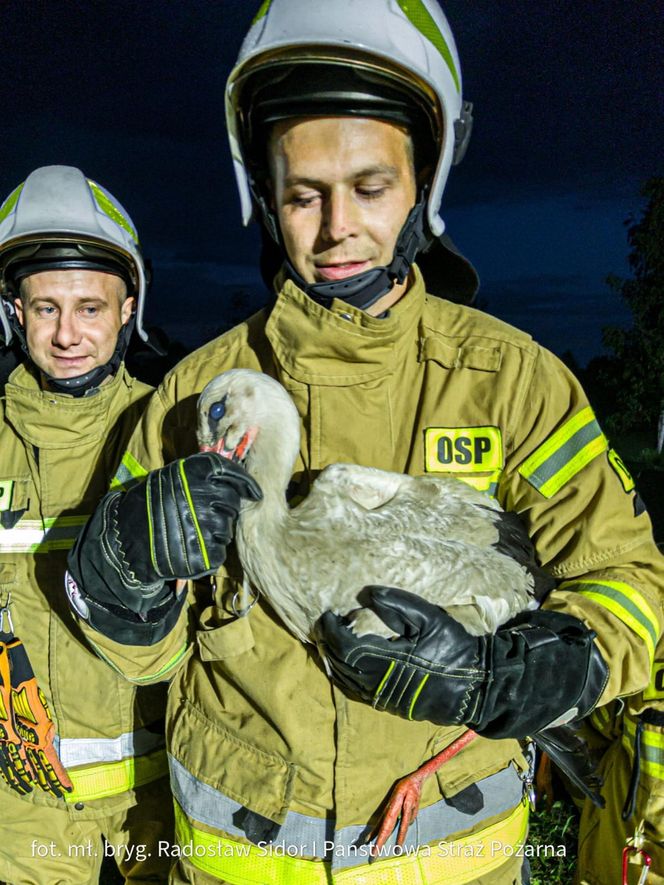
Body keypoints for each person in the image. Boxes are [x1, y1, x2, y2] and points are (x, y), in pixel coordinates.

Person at [65, 2, 664, 883]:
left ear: (425, 180)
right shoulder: (193, 397)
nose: (337, 225)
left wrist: (531, 674)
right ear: (263, 197)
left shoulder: (516, 382)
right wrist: (121, 573)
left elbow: (631, 582)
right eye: (304, 193)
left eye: (370, 187)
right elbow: (128, 652)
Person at [0, 165, 174, 884]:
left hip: (160, 794)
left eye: (89, 308)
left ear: (128, 308)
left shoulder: (169, 430)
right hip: (21, 803)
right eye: (45, 308)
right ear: (13, 312)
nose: (67, 333)